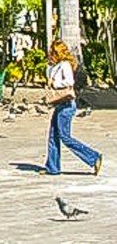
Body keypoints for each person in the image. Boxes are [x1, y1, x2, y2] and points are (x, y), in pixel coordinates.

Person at [40, 39, 102, 176]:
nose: (50, 54)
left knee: (65, 137)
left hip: (67, 104)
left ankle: (93, 157)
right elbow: (49, 75)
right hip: (60, 103)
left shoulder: (65, 65)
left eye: (52, 52)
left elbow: (69, 81)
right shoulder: (55, 66)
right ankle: (52, 167)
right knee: (53, 135)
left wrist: (55, 83)